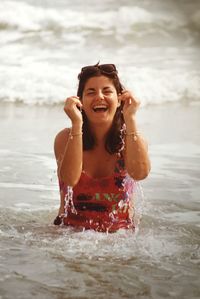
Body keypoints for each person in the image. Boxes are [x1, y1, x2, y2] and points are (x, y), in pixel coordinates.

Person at [53, 63, 150, 232]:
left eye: (107, 91)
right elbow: (70, 179)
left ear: (119, 100)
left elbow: (140, 174)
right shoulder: (65, 138)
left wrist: (131, 119)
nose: (99, 97)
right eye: (91, 92)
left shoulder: (132, 139)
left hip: (121, 236)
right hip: (69, 234)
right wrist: (77, 124)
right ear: (80, 101)